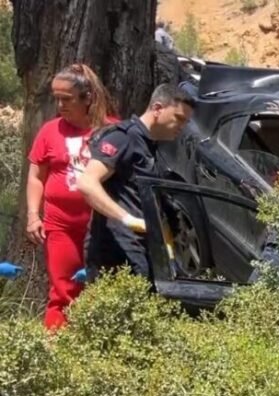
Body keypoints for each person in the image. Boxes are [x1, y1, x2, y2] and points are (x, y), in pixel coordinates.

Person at [26, 64, 116, 329]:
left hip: (102, 227)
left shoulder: (112, 131)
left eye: (67, 99)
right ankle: (56, 345)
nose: (60, 105)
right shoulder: (50, 131)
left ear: (87, 98)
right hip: (60, 224)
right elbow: (35, 177)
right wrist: (33, 215)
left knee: (102, 289)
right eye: (57, 98)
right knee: (63, 290)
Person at [76, 84, 194, 282]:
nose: (182, 127)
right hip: (116, 251)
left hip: (142, 249)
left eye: (186, 122)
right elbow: (87, 183)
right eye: (179, 118)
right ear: (157, 109)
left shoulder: (150, 146)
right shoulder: (123, 138)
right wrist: (127, 219)